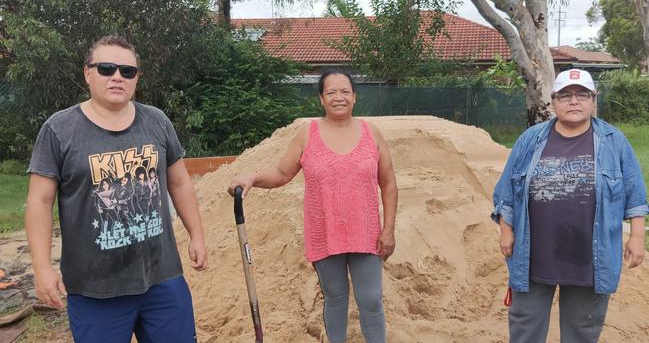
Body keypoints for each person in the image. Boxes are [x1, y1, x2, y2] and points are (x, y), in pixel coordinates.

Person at [25, 35, 208, 343]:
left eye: (127, 71)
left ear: (137, 77)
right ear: (87, 72)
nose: (117, 77)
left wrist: (197, 235)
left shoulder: (157, 122)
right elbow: (39, 202)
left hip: (162, 277)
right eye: (106, 68)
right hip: (96, 288)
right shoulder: (59, 130)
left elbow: (179, 182)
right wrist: (42, 268)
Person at [228, 70, 398, 343]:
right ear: (321, 99)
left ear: (354, 96)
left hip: (366, 234)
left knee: (371, 301)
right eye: (331, 92)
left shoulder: (372, 133)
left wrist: (388, 229)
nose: (338, 97)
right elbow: (282, 174)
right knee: (335, 298)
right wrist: (253, 178)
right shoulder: (308, 134)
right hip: (325, 233)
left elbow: (388, 184)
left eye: (344, 91)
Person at [492, 69, 648, 342]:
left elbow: (635, 195)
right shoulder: (531, 140)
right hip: (534, 253)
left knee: (583, 330)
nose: (573, 101)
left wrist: (637, 238)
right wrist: (506, 231)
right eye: (565, 95)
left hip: (589, 257)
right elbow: (507, 191)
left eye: (581, 95)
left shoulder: (614, 142)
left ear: (593, 100)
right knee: (524, 325)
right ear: (554, 101)